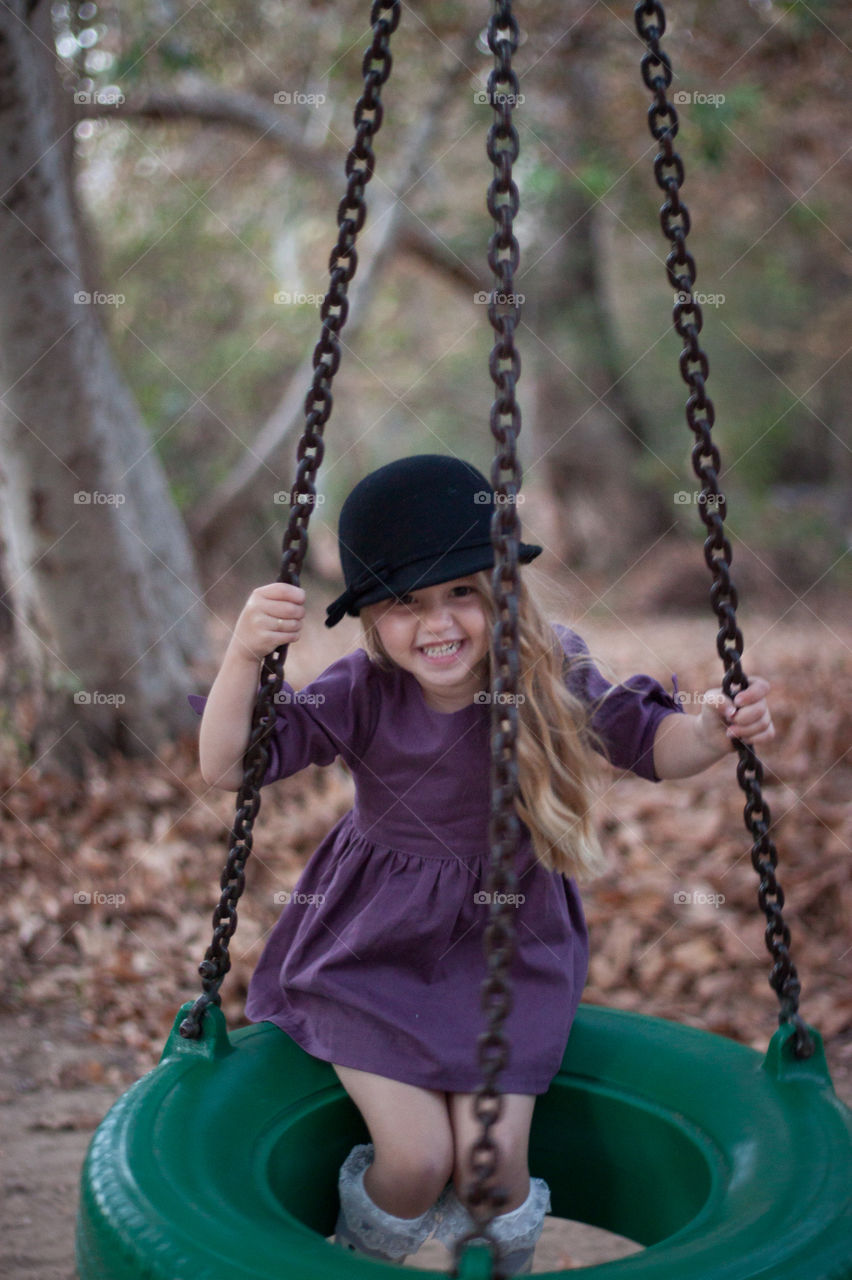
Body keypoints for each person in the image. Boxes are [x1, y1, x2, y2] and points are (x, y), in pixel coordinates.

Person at [195, 454, 774, 1272]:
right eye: (406, 604)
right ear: (370, 621)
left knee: (493, 1169)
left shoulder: (551, 672)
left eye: (461, 592)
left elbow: (657, 745)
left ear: (502, 590)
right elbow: (227, 767)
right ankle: (362, 1265)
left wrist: (714, 731)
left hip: (509, 950)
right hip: (372, 950)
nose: (438, 624)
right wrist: (244, 657)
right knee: (419, 1160)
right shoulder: (364, 689)